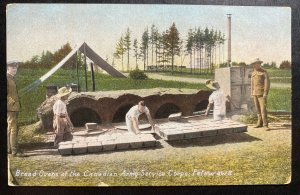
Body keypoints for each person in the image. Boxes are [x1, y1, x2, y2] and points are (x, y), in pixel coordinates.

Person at [7, 60, 23, 156]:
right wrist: (12, 102)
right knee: (13, 128)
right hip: (11, 107)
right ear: (8, 68)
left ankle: (9, 148)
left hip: (14, 107)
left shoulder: (11, 78)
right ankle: (14, 150)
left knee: (10, 127)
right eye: (13, 68)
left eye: (16, 68)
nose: (15, 69)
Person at [251, 58, 270, 131]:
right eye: (254, 64)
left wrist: (265, 92)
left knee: (263, 109)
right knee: (258, 109)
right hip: (255, 93)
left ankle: (265, 124)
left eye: (256, 64)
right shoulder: (253, 73)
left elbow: (267, 83)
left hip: (262, 93)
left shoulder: (264, 72)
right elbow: (252, 84)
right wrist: (252, 92)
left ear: (259, 64)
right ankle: (259, 123)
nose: (255, 65)